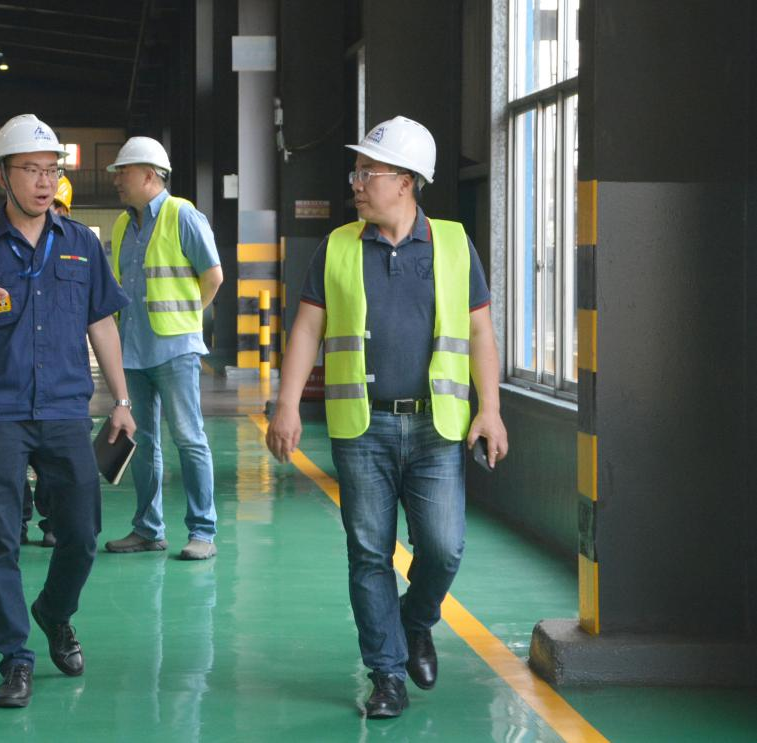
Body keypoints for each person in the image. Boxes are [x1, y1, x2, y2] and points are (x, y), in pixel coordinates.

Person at [265, 117, 509, 719]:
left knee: (443, 548)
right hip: (361, 428)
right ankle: (387, 674)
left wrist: (491, 409)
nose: (356, 182)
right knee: (369, 553)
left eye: (367, 172)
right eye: (357, 171)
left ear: (405, 180)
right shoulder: (338, 247)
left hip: (437, 427)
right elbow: (308, 329)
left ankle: (414, 620)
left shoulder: (452, 244)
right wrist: (287, 404)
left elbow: (480, 331)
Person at [0, 114, 135, 709]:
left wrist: (121, 402)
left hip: (66, 409)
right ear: (3, 176)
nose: (45, 182)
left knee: (83, 532)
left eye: (51, 170)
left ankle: (54, 612)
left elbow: (101, 322)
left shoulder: (81, 244)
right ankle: (15, 658)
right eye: (31, 170)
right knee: (0, 541)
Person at [102, 137, 223, 561]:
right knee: (142, 441)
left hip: (175, 349)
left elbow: (213, 276)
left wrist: (187, 318)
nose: (117, 179)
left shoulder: (182, 215)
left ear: (150, 175)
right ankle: (148, 529)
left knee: (189, 438)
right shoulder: (122, 226)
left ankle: (203, 531)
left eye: (124, 172)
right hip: (133, 350)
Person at [20, 174, 76, 548]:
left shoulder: (77, 251)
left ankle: (53, 521)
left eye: (58, 208)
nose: (51, 213)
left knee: (53, 464)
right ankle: (18, 522)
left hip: (58, 378)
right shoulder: (10, 248)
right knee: (12, 464)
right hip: (16, 375)